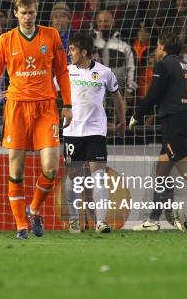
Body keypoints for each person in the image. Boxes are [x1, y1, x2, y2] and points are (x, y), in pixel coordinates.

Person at [0, 0, 72, 239]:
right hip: (17, 107)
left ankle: (34, 209)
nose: (28, 17)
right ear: (15, 14)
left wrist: (68, 104)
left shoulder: (51, 36)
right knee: (16, 167)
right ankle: (21, 225)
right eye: (24, 13)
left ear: (37, 11)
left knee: (51, 167)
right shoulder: (5, 40)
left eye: (32, 12)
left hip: (46, 107)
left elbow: (62, 71)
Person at [129, 31, 187, 231]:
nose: (157, 49)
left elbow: (154, 93)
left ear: (163, 47)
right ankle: (152, 221)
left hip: (173, 123)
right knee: (161, 172)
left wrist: (137, 114)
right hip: (185, 121)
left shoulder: (163, 65)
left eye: (158, 45)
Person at [62, 32, 125, 234]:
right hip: (72, 131)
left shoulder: (105, 72)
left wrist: (122, 120)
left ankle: (101, 222)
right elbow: (48, 92)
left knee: (98, 177)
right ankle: (74, 220)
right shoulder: (65, 72)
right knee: (74, 181)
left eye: (72, 49)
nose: (69, 52)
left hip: (96, 132)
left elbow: (117, 96)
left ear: (84, 52)